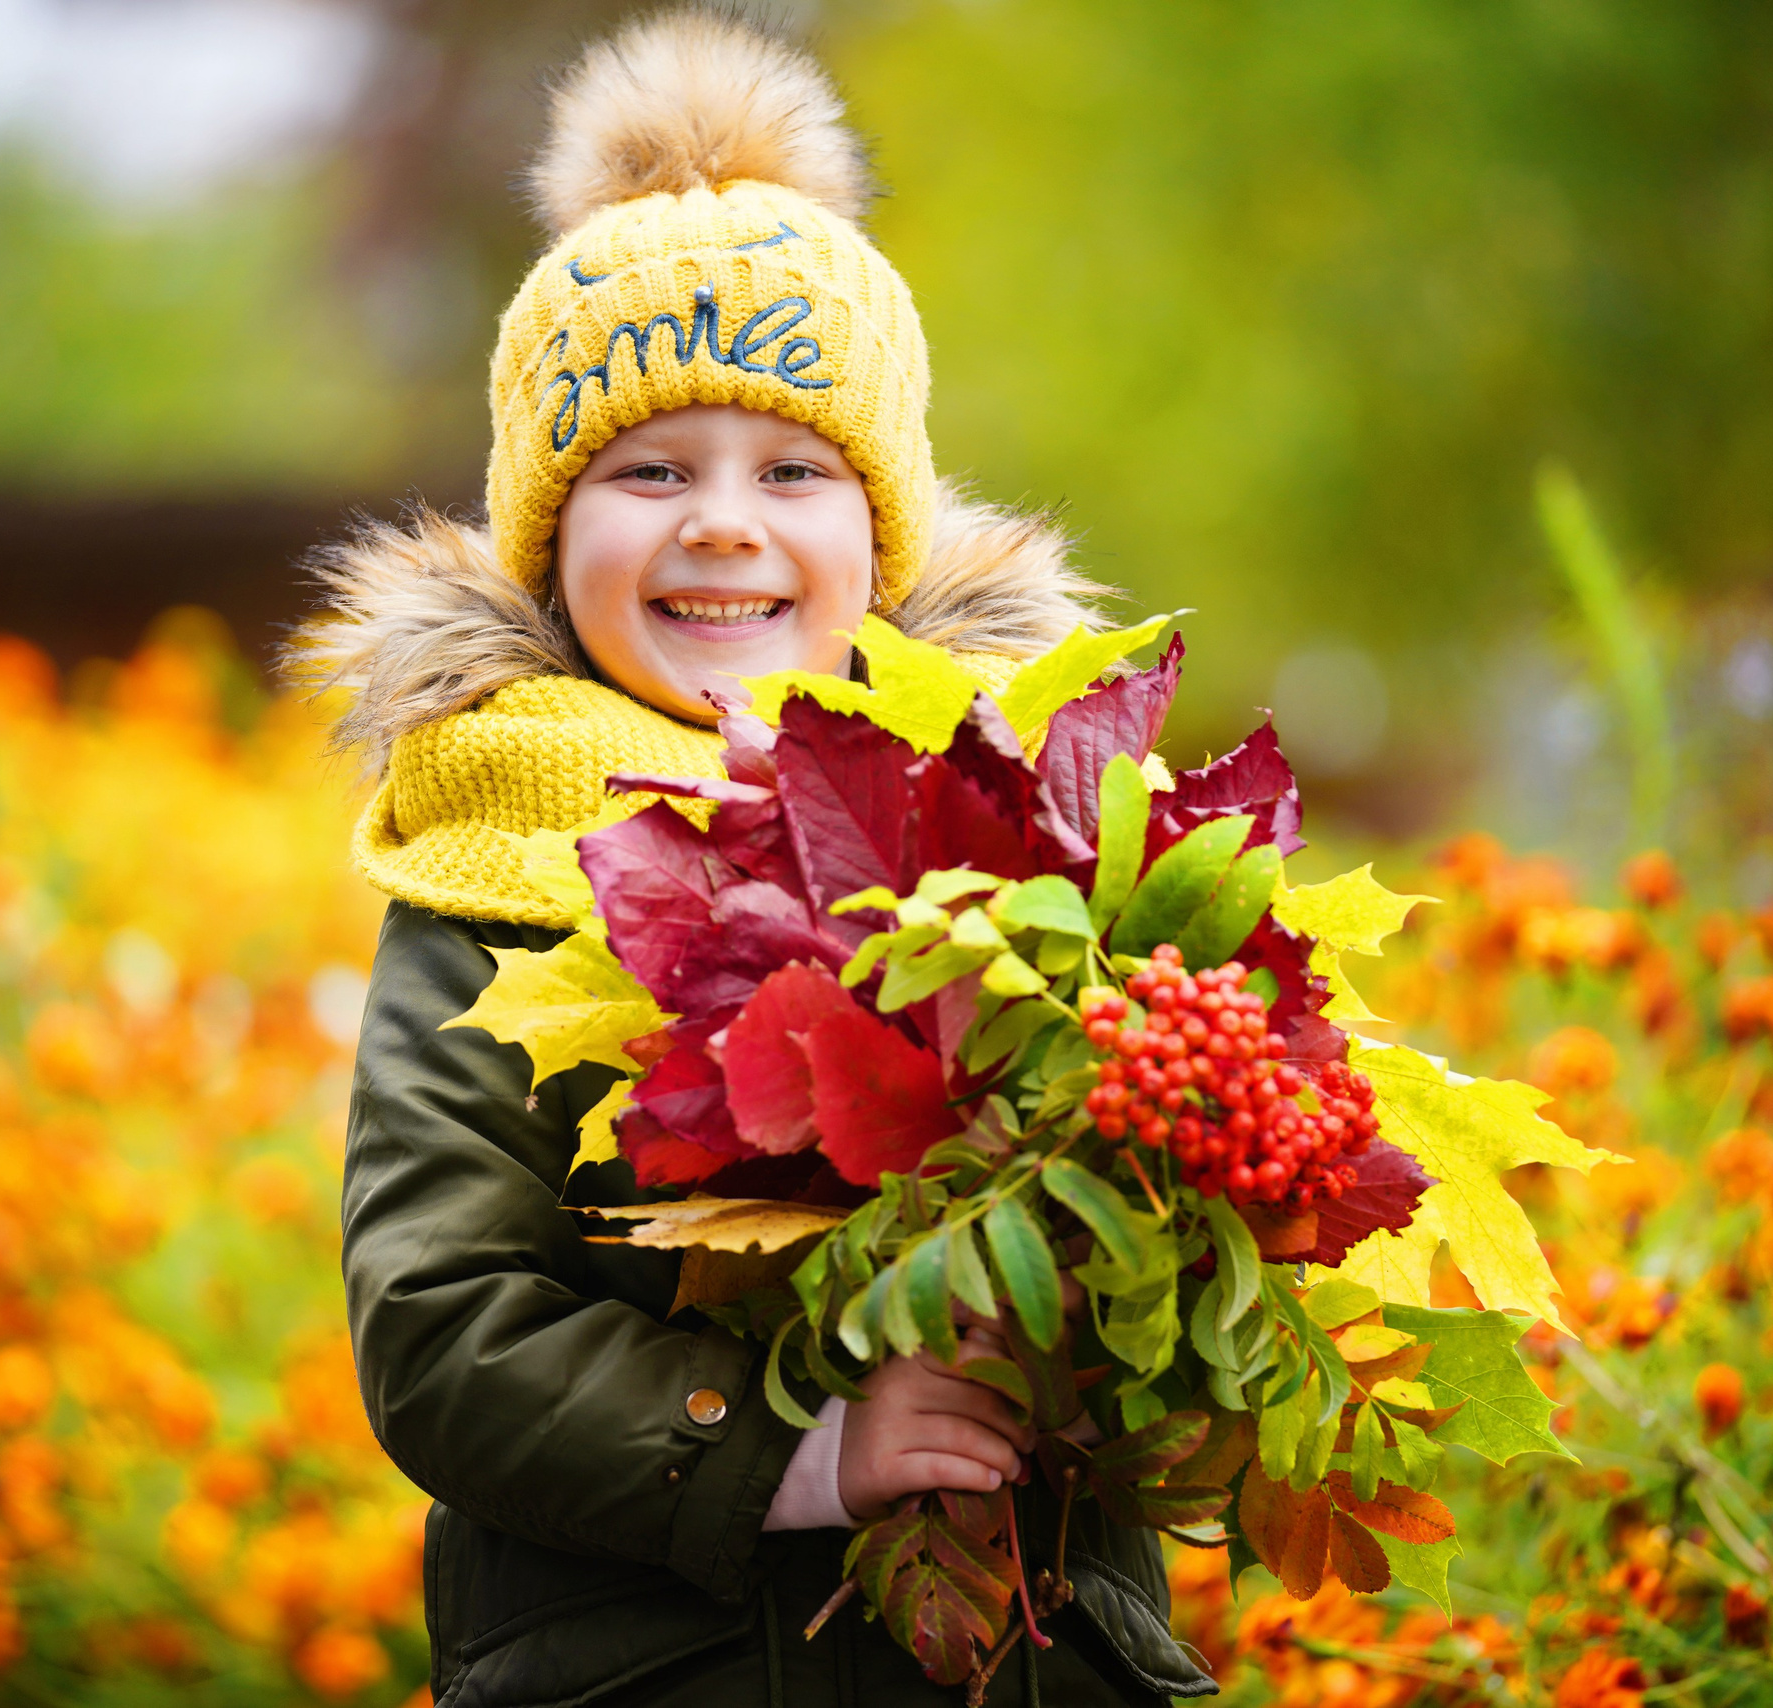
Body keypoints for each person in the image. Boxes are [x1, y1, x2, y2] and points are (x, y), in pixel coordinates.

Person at [295, 12, 1215, 1705]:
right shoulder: (499, 861)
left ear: (882, 531)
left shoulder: (1036, 832)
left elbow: (1181, 1198)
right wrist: (794, 1449)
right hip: (658, 1666)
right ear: (550, 533)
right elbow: (440, 1319)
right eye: (651, 470)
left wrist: (1156, 1292)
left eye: (794, 468)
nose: (724, 520)